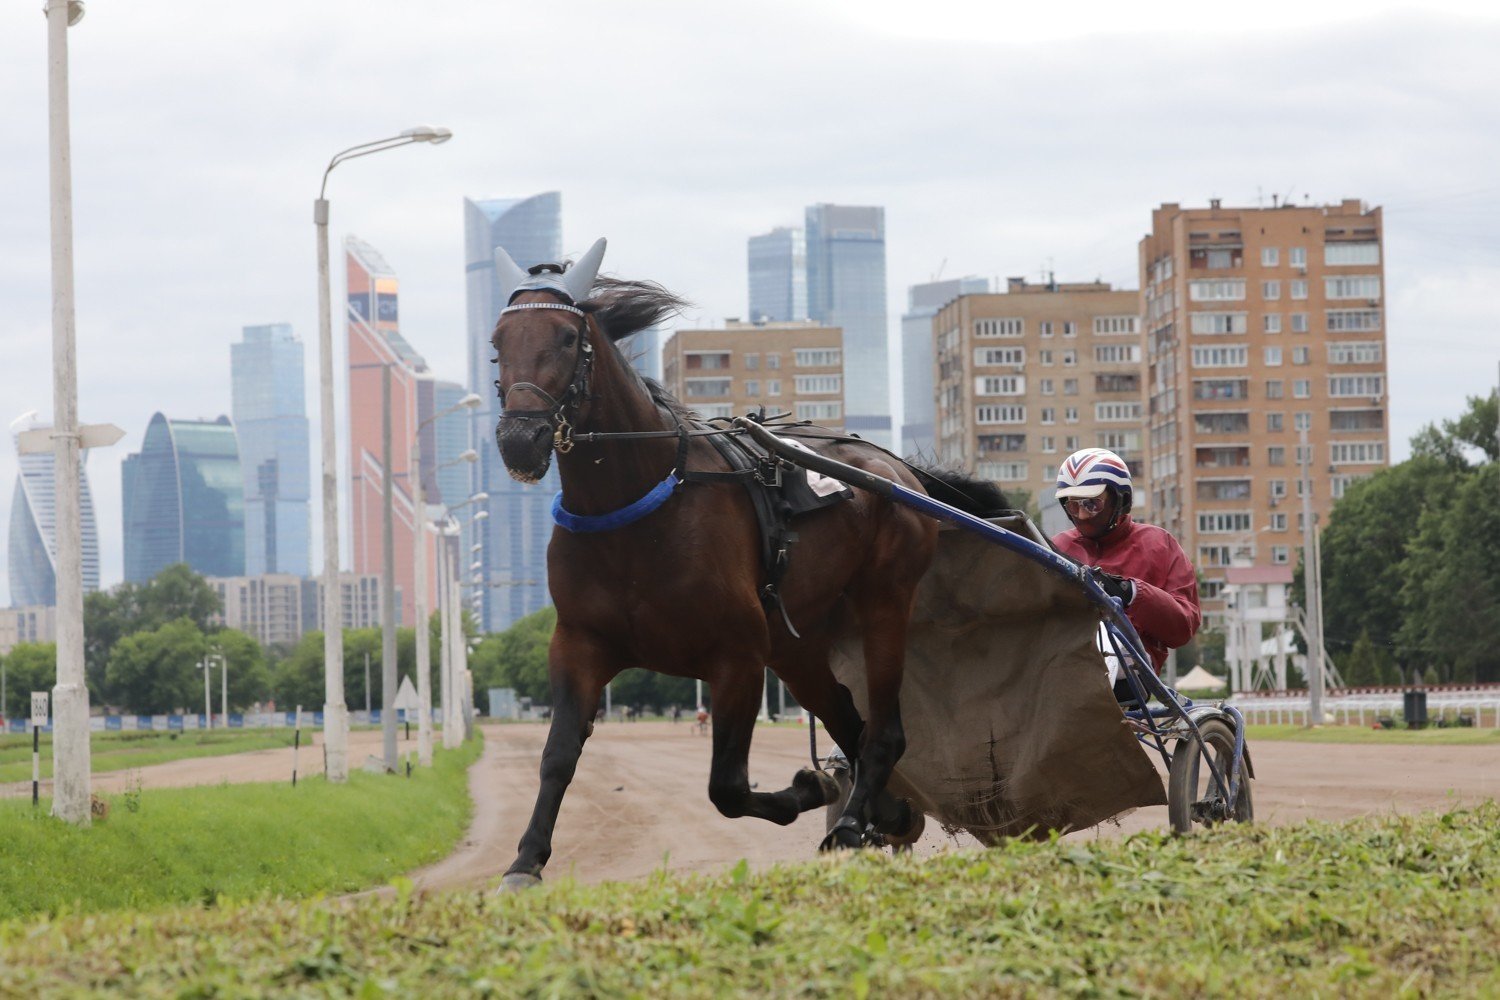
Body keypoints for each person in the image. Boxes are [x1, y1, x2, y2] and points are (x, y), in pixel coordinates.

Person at [1050, 448, 1200, 683]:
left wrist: (1131, 592)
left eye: (1091, 504)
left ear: (1120, 500)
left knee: (1106, 641)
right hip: (1061, 656)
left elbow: (1184, 628)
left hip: (1132, 665)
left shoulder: (1160, 544)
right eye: (1073, 505)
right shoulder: (1058, 547)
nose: (1082, 515)